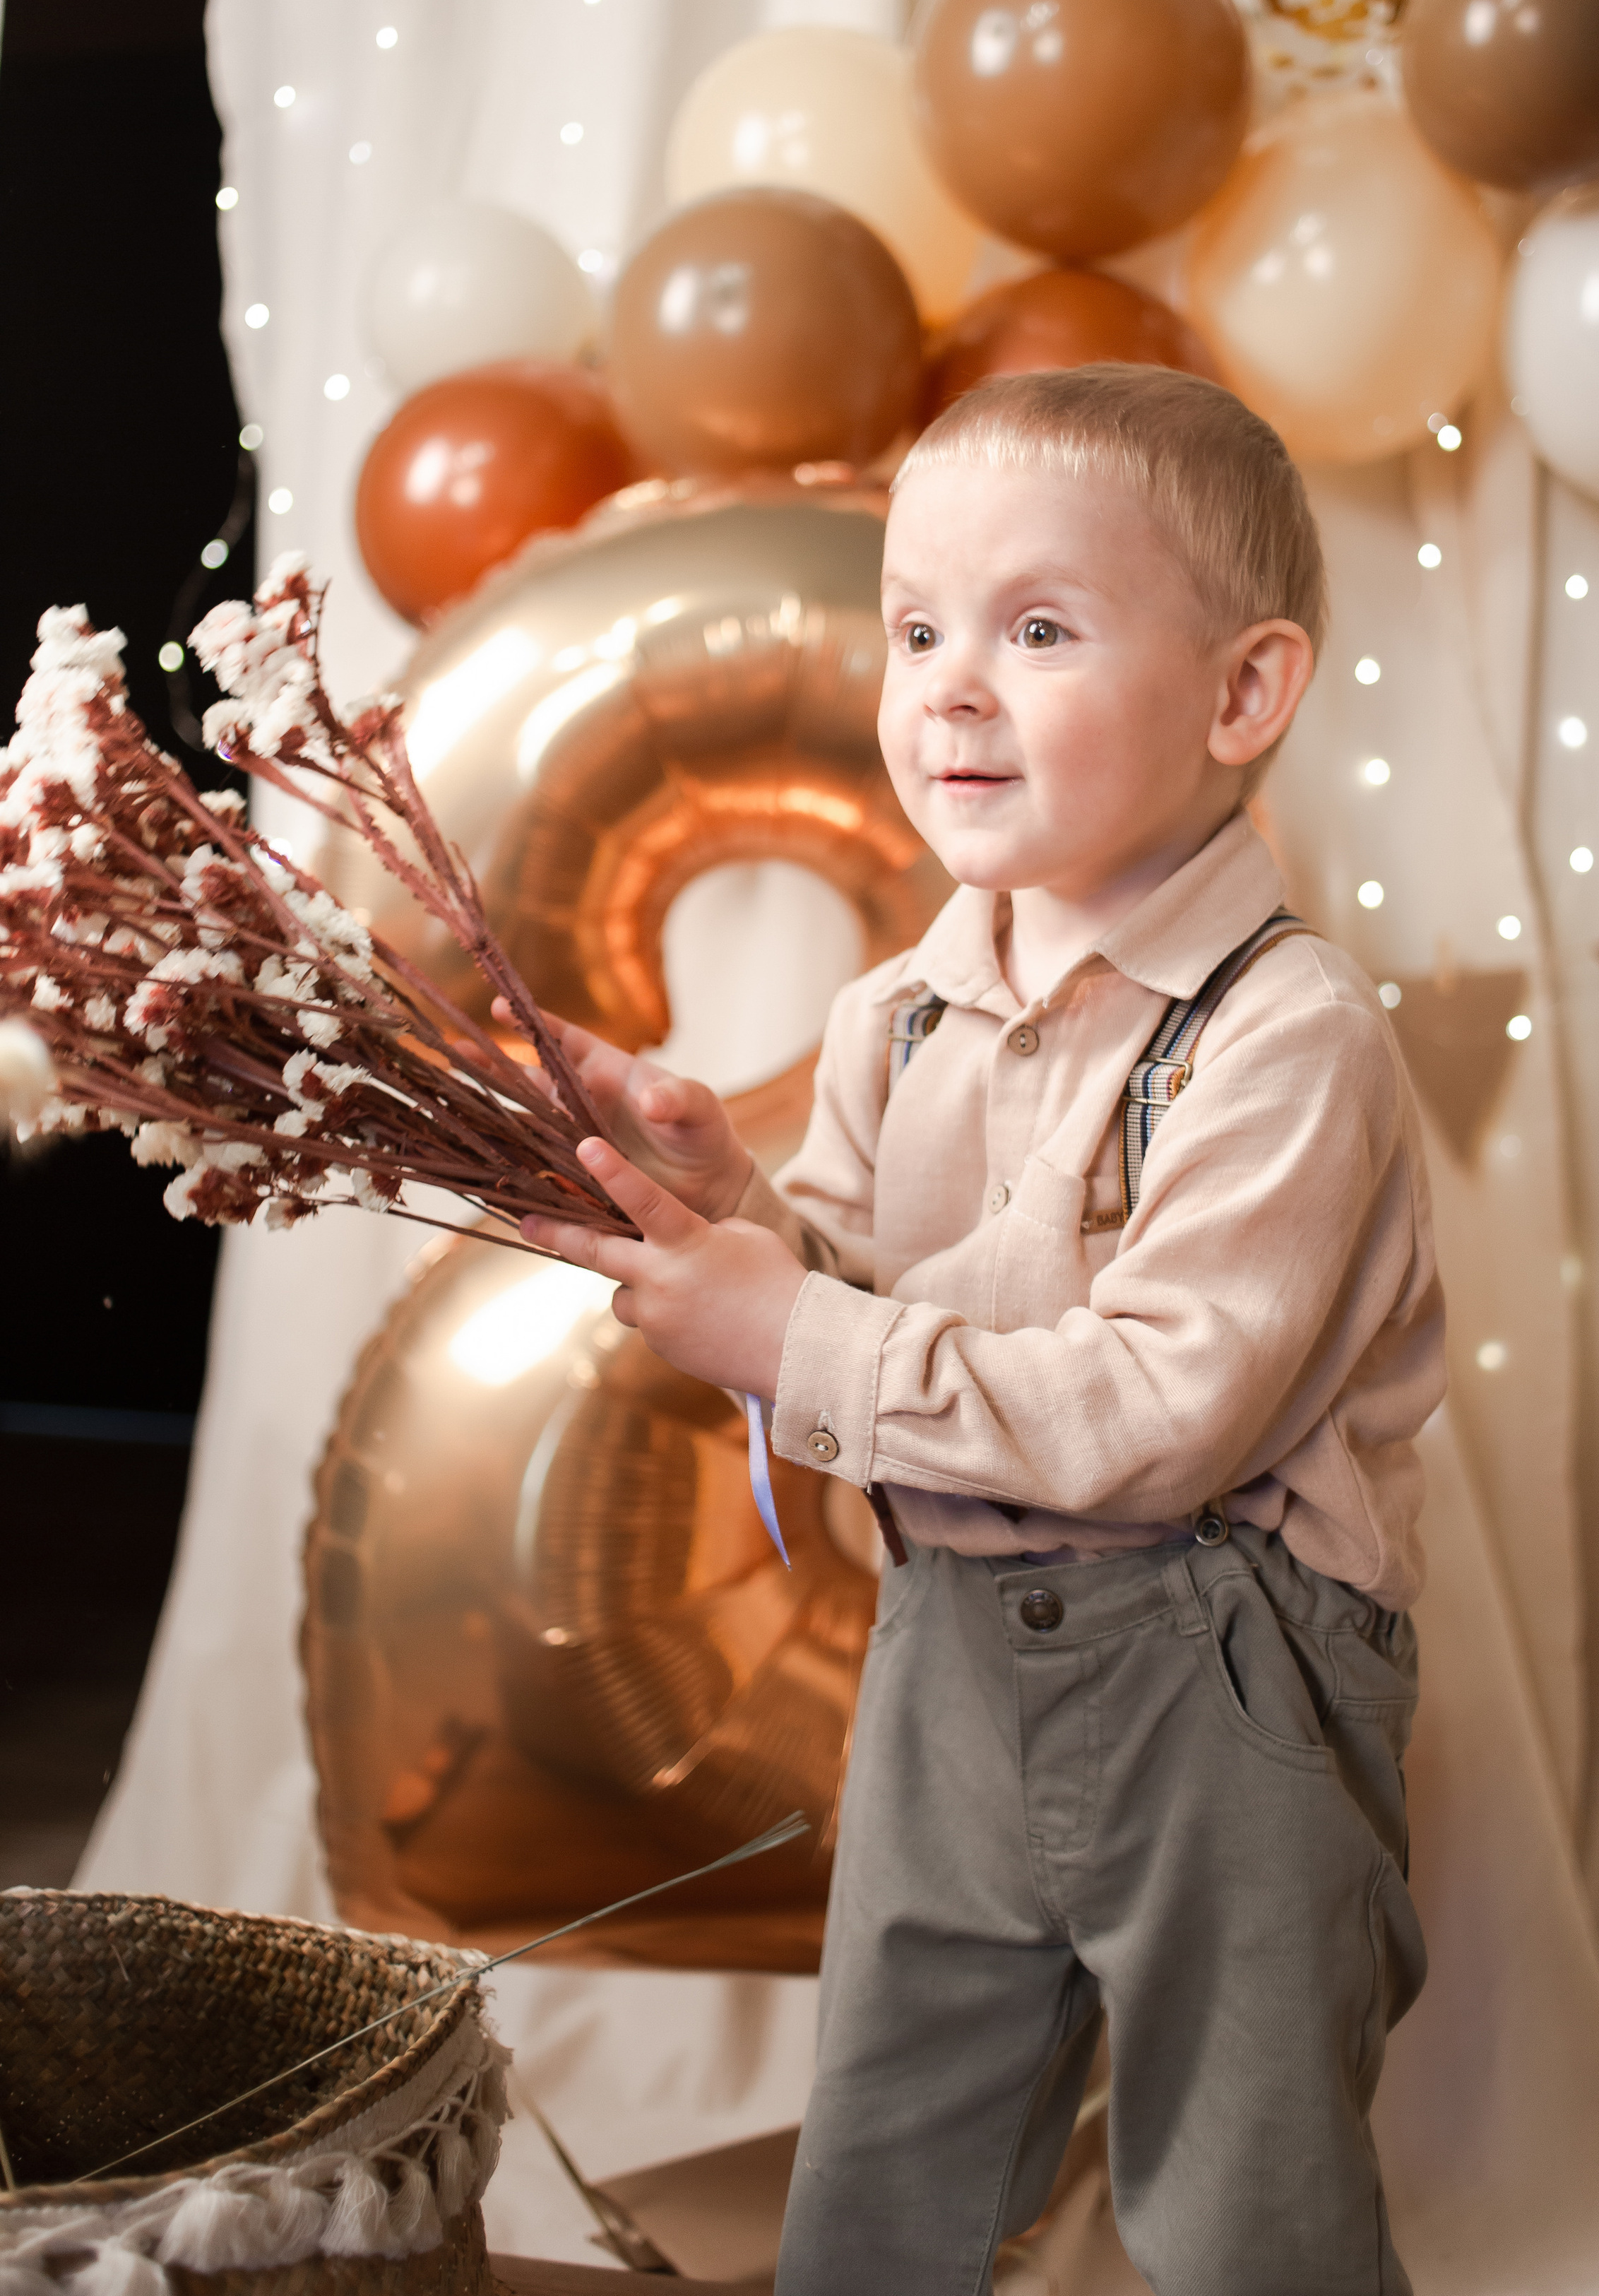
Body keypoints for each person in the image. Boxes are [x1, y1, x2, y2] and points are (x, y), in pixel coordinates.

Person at [521, 364, 1444, 2296]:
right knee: (889, 2162)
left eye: (1036, 631)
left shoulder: (1291, 1038)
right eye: (918, 628)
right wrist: (735, 1212)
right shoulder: (895, 1022)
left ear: (1242, 695)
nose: (949, 684)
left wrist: (789, 1329)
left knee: (1247, 2185)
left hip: (1228, 1672)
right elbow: (864, 1313)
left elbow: (1162, 1412)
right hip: (952, 1661)